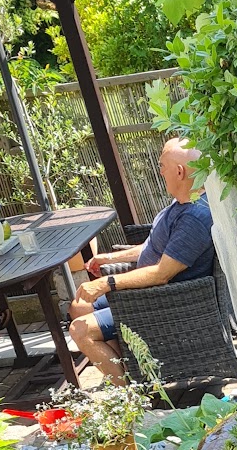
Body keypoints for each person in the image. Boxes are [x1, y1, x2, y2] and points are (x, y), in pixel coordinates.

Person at [68, 138, 215, 383]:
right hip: (146, 293)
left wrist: (107, 283)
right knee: (79, 305)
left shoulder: (194, 218)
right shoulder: (182, 203)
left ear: (179, 172)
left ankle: (135, 394)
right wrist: (109, 258)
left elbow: (161, 274)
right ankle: (131, 368)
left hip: (161, 303)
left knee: (80, 330)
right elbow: (153, 247)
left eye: (163, 166)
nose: (161, 172)